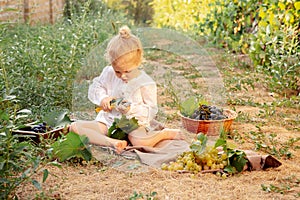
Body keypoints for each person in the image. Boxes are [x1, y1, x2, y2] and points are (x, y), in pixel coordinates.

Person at [70, 25, 185, 154]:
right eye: (118, 72)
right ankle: (113, 143)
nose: (123, 76)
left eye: (127, 71)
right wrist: (103, 98)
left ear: (138, 62)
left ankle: (164, 134)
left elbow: (151, 110)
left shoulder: (146, 82)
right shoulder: (108, 72)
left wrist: (131, 109)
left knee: (139, 141)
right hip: (109, 122)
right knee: (74, 127)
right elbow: (96, 87)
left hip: (133, 124)